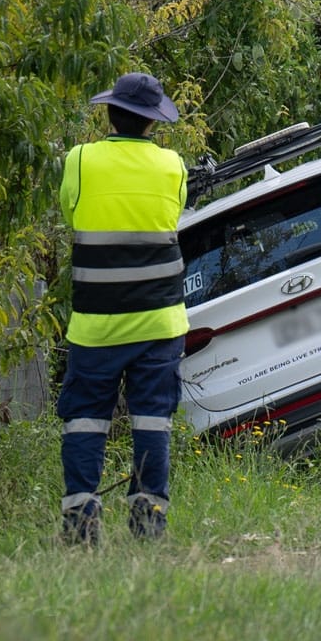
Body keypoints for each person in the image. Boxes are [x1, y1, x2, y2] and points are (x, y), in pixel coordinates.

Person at [56, 72, 189, 544]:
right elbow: (171, 218)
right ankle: (149, 524)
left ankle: (81, 528)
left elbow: (71, 215)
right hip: (160, 319)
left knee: (85, 420)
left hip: (97, 325)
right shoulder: (172, 166)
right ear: (153, 121)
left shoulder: (79, 160)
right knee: (153, 418)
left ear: (109, 111)